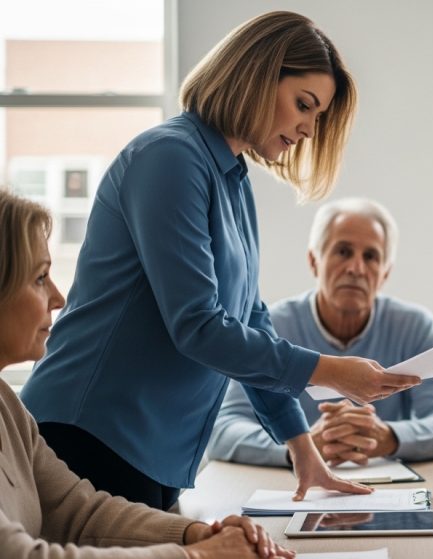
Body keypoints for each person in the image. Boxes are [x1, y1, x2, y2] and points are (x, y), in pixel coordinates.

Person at [19, 11, 420, 511]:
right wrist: (329, 370)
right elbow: (199, 327)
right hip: (92, 432)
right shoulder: (169, 158)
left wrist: (303, 448)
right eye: (304, 105)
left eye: (317, 116)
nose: (309, 130)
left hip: (153, 451)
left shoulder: (232, 180)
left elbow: (249, 319)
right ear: (255, 78)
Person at [0, 188, 294, 558]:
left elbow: (82, 513)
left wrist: (196, 534)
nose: (58, 298)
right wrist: (200, 556)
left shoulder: (8, 407)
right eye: (41, 278)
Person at [209, 198, 433, 466]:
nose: (355, 268)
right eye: (343, 252)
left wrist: (388, 437)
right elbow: (222, 429)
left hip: (388, 488)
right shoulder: (273, 326)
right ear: (314, 261)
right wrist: (302, 446)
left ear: (385, 274)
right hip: (291, 485)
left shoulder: (414, 326)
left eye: (370, 257)